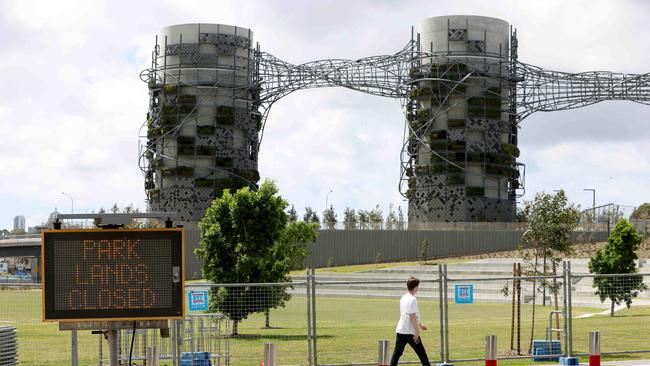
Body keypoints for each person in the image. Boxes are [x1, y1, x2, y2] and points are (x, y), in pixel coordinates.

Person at [390, 276, 430, 366]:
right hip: (410, 332)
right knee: (421, 353)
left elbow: (409, 314)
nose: (418, 288)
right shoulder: (413, 299)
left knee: (397, 354)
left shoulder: (404, 297)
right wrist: (416, 332)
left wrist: (420, 324)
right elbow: (412, 317)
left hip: (401, 330)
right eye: (418, 286)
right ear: (415, 287)